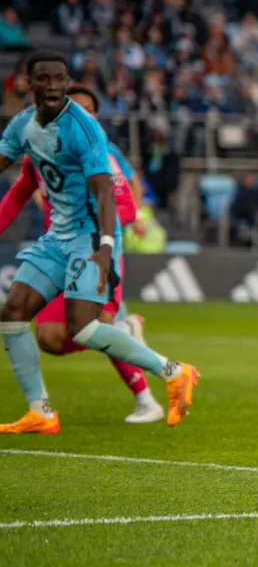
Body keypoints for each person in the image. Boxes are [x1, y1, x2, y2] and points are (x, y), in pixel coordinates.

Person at [0, 52, 198, 433]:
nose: (54, 86)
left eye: (61, 79)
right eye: (46, 79)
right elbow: (15, 185)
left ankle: (173, 372)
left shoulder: (86, 131)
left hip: (90, 239)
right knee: (14, 313)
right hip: (55, 238)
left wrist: (106, 246)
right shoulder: (23, 126)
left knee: (82, 328)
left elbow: (107, 193)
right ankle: (40, 411)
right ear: (29, 84)